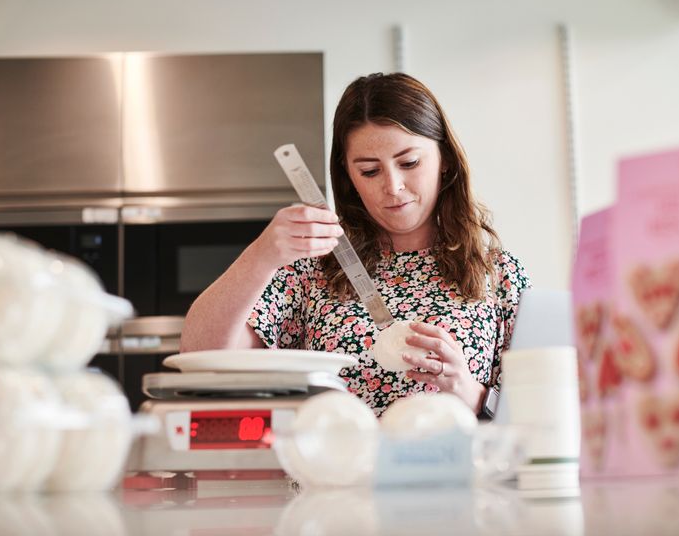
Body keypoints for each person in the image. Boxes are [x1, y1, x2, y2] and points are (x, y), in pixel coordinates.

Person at [180, 72, 530, 417]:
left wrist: (466, 389)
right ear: (349, 179)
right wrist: (260, 256)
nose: (393, 186)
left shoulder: (499, 274)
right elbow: (199, 357)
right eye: (369, 171)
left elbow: (542, 416)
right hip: (334, 474)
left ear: (445, 160)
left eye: (409, 163)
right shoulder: (312, 270)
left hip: (461, 474)